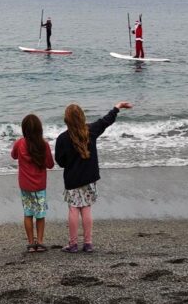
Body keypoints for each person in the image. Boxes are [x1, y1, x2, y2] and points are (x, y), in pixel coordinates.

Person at [54, 101, 133, 253]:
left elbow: (60, 161)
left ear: (66, 120)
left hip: (72, 179)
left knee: (73, 210)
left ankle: (73, 244)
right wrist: (117, 108)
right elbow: (106, 121)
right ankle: (88, 243)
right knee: (86, 209)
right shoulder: (91, 130)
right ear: (82, 117)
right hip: (89, 178)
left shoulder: (62, 138)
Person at [11, 113, 54, 253]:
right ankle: (40, 242)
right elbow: (50, 164)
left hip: (25, 185)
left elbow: (13, 155)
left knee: (28, 213)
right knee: (40, 215)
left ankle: (31, 243)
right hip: (40, 186)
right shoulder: (44, 144)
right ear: (39, 129)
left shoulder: (20, 143)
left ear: (24, 129)